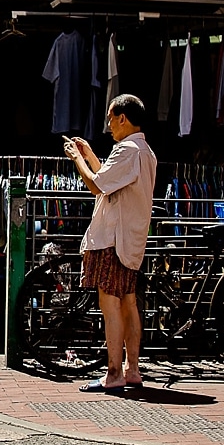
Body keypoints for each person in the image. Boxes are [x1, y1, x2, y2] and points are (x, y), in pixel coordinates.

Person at [63, 93, 157, 394]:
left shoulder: (127, 150)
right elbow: (109, 180)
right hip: (130, 239)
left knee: (111, 303)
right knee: (128, 302)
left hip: (114, 239)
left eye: (111, 119)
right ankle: (131, 369)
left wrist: (77, 159)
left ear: (122, 118)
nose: (109, 126)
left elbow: (96, 185)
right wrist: (90, 156)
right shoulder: (145, 152)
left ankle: (114, 372)